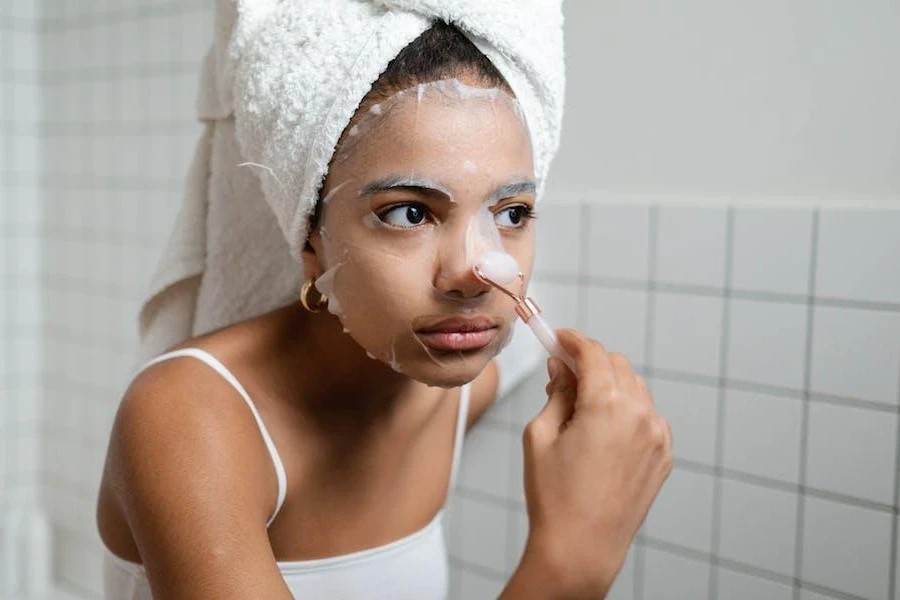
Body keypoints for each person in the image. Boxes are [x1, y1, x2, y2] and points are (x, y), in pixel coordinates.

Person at [96, 17, 672, 600]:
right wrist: (572, 562)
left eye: (511, 213)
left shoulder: (456, 392)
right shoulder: (187, 415)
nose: (475, 274)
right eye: (410, 213)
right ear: (310, 241)